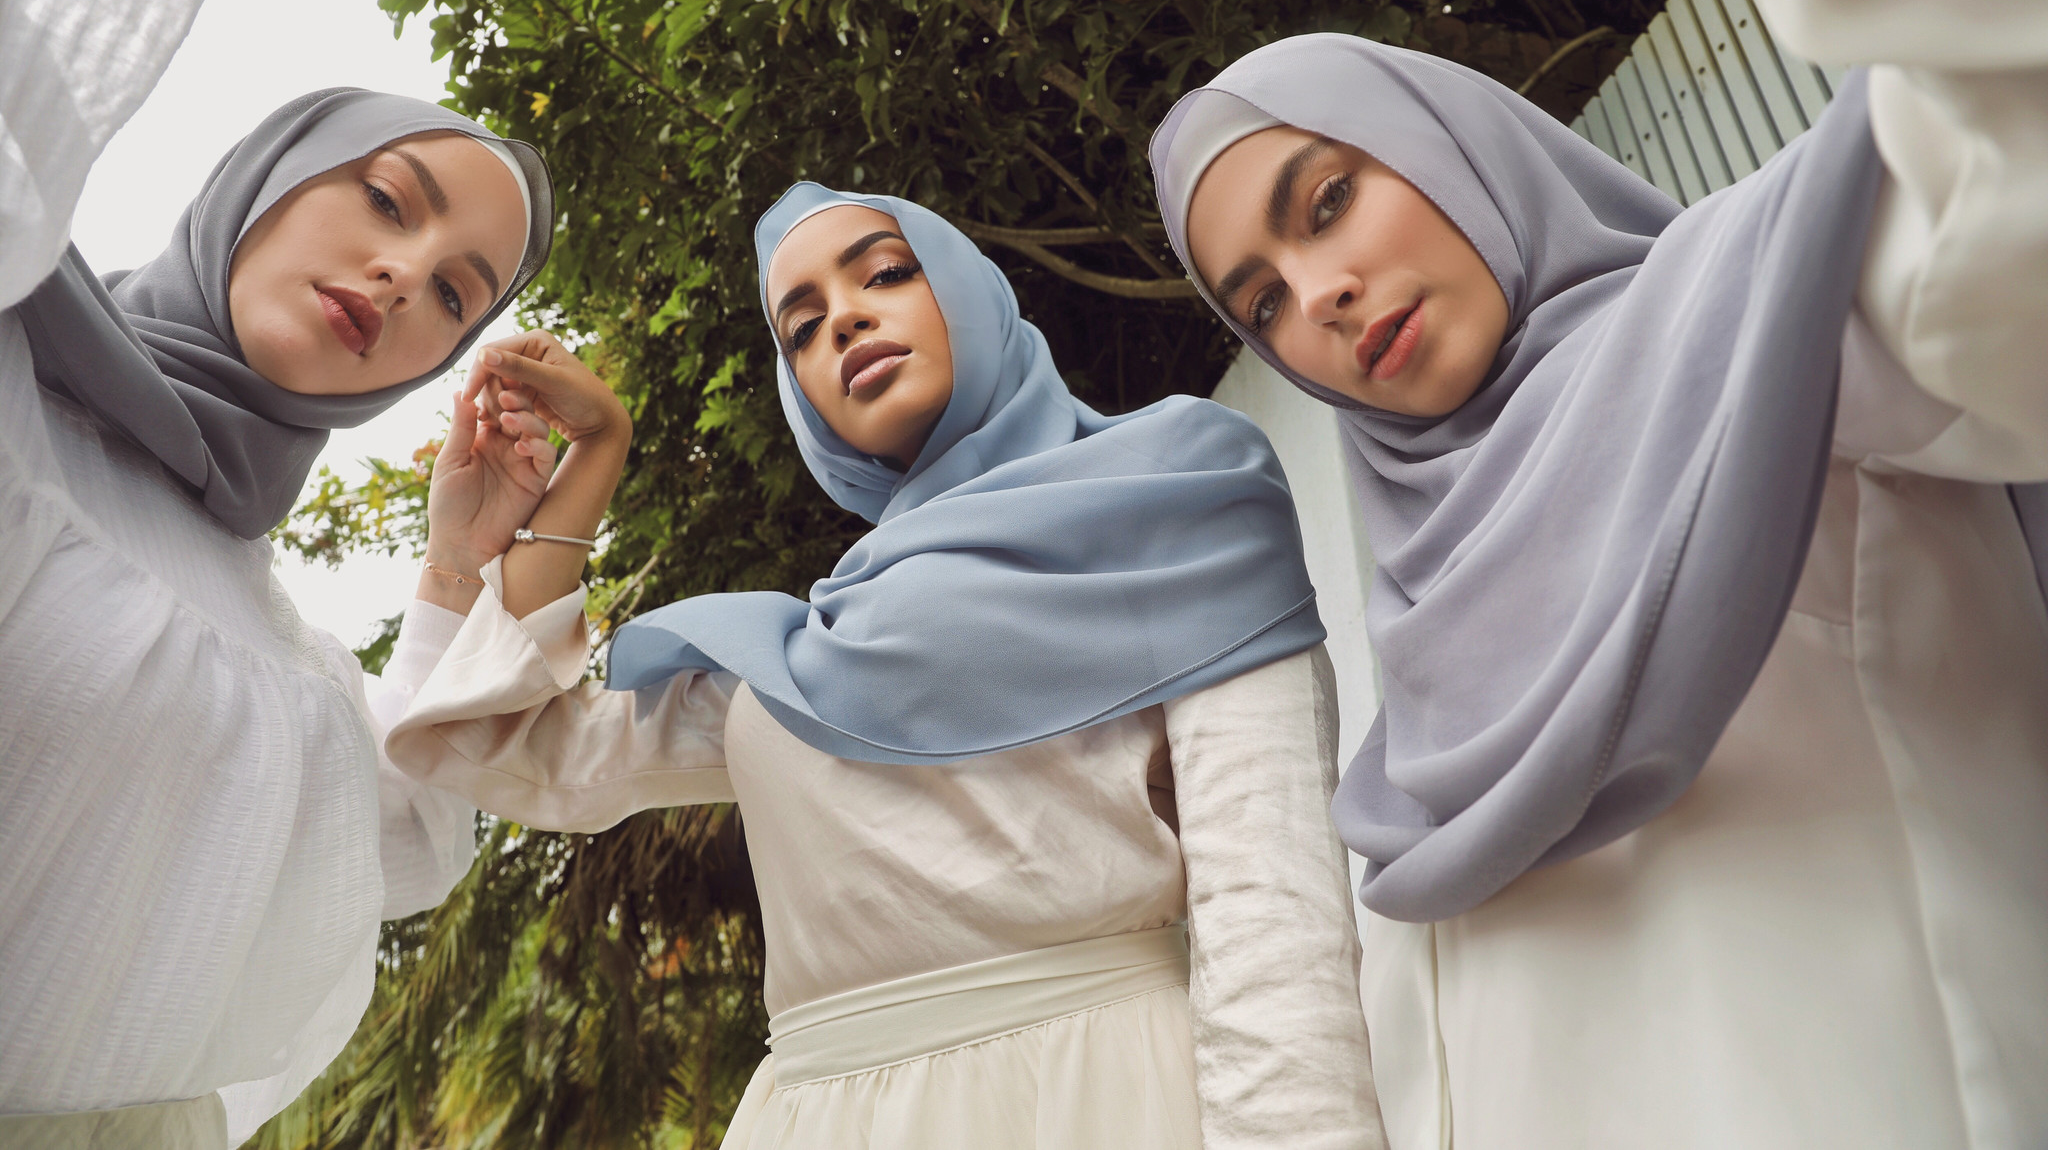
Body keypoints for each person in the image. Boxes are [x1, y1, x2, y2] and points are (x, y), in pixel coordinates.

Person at [1146, 0, 2048, 1144]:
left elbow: (2000, 194)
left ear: (1456, 143)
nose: (1318, 295)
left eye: (1329, 200)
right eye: (1260, 302)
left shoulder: (1783, 314)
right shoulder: (1420, 621)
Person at [385, 184, 1386, 1149]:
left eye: (885, 275)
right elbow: (503, 747)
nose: (846, 325)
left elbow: (1269, 908)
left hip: (1094, 1097)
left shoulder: (1176, 494)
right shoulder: (795, 658)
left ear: (964, 290)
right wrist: (562, 478)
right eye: (804, 327)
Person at [0, 87, 627, 1148]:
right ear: (264, 175)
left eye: (452, 296)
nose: (400, 278)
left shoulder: (276, 640)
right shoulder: (19, 388)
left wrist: (458, 567)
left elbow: (406, 841)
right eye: (388, 201)